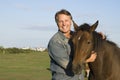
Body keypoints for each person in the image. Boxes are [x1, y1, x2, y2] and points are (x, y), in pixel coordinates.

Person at [47, 9, 101, 80]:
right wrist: (88, 59)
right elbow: (68, 65)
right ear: (57, 23)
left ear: (71, 22)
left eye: (66, 20)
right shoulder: (55, 42)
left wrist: (99, 36)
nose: (64, 24)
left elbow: (87, 41)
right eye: (61, 21)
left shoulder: (77, 37)